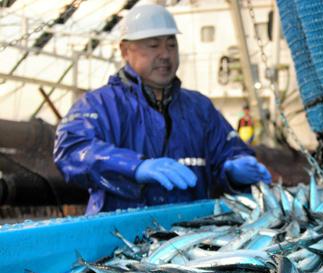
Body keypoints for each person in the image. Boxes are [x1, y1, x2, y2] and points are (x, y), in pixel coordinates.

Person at [54, 4, 271, 214]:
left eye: (171, 44)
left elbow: (227, 151)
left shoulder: (200, 108)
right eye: (153, 45)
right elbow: (70, 150)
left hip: (191, 233)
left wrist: (234, 169)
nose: (165, 54)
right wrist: (134, 167)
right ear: (125, 50)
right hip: (118, 237)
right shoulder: (99, 105)